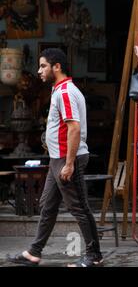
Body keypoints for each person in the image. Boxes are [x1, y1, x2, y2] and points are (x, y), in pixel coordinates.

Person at [7, 48, 103, 267]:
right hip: (57, 158)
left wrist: (69, 164)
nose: (38, 70)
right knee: (47, 205)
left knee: (79, 208)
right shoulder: (59, 90)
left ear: (56, 67)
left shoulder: (65, 92)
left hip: (68, 159)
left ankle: (94, 256)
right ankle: (34, 252)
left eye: (43, 66)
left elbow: (74, 129)